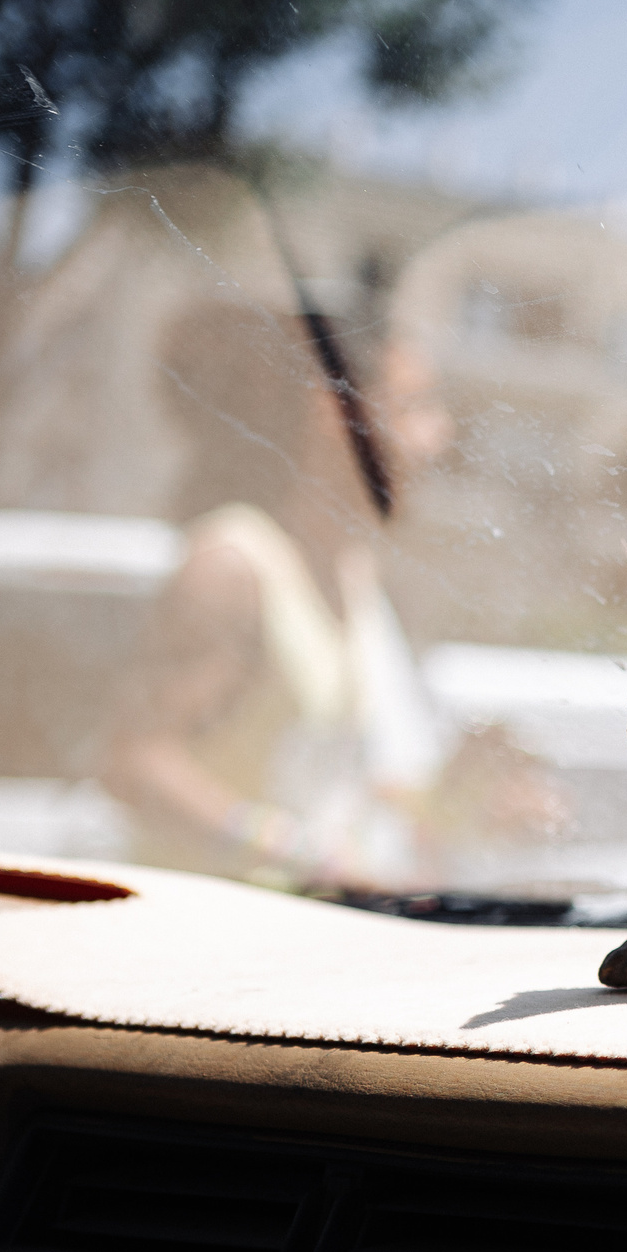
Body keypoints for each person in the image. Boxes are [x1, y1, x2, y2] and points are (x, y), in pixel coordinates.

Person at [102, 298, 461, 891]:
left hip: (294, 939)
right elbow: (135, 763)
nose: (439, 437)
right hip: (200, 945)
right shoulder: (232, 564)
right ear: (335, 415)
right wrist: (303, 856)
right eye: (416, 407)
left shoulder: (356, 573)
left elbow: (349, 784)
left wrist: (474, 799)